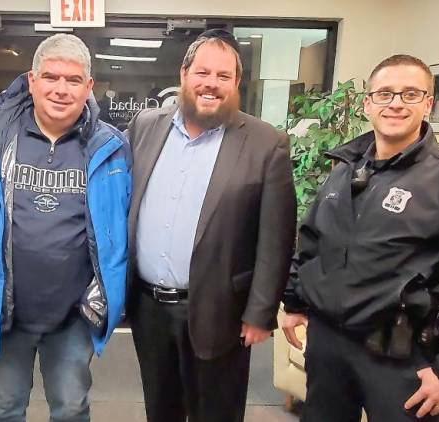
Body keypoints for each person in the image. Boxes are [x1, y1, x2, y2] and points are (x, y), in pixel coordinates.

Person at [282, 54, 439, 421]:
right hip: (329, 347)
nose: (396, 103)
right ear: (368, 104)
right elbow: (312, 242)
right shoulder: (345, 169)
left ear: (428, 104)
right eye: (385, 94)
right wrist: (294, 302)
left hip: (401, 357)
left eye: (410, 94)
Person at [0, 34, 131, 422]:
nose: (61, 89)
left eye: (74, 80)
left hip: (74, 318)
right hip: (1, 315)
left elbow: (127, 222)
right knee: (4, 409)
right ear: (32, 80)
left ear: (89, 87)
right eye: (51, 77)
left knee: (72, 409)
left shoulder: (111, 148)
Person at [125, 29, 297, 422]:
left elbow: (276, 237)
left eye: (223, 76)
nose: (211, 84)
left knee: (216, 413)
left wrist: (260, 312)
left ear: (236, 83)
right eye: (203, 72)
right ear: (184, 74)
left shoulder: (265, 143)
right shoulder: (145, 126)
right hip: (148, 308)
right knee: (160, 409)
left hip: (222, 310)